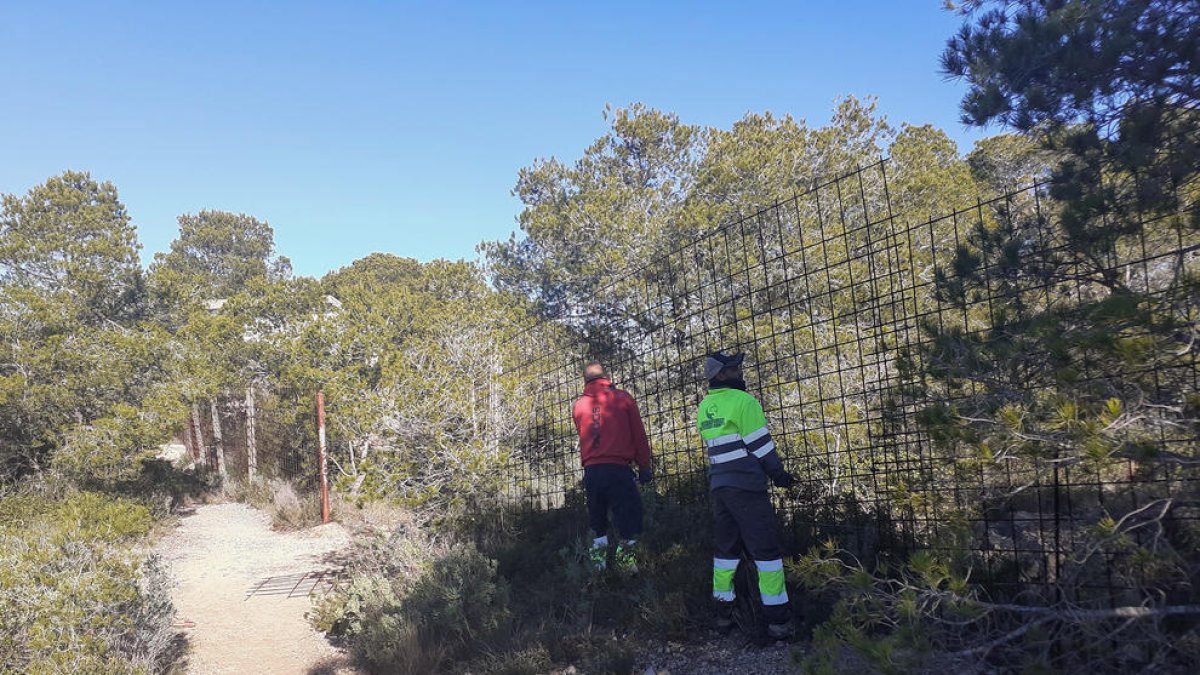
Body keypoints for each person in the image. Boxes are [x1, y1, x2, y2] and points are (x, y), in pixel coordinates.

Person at [698, 351, 795, 639]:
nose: (739, 370)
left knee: (726, 552)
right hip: (747, 486)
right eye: (733, 368)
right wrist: (778, 475)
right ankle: (778, 621)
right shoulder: (744, 402)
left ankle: (723, 615)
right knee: (766, 553)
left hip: (720, 486)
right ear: (720, 375)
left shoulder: (705, 406)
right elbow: (760, 445)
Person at [572, 361, 654, 572]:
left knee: (597, 523)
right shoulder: (623, 399)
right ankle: (627, 569)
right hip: (618, 470)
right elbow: (638, 436)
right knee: (628, 519)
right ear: (606, 377)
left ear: (585, 381)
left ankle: (598, 571)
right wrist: (644, 466)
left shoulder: (579, 405)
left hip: (591, 472)